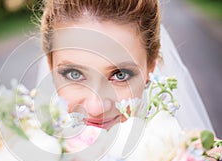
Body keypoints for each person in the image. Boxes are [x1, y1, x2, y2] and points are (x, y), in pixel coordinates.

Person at [37, 0, 213, 131]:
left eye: (120, 75)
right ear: (50, 66)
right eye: (74, 74)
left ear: (150, 68)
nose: (96, 108)